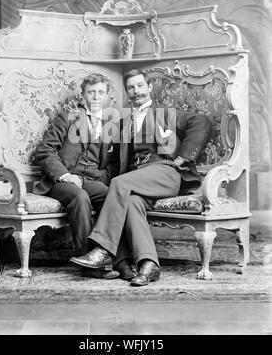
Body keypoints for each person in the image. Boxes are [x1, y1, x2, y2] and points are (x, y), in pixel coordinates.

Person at [70, 69, 212, 286]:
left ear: (149, 87)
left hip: (165, 172)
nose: (136, 91)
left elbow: (201, 122)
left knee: (119, 183)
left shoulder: (165, 113)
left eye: (140, 86)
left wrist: (183, 157)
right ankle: (149, 265)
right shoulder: (123, 124)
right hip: (137, 179)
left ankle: (103, 250)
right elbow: (112, 159)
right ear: (127, 92)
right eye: (131, 88)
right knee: (132, 203)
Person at [34, 73, 120, 279]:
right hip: (61, 181)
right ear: (83, 96)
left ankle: (116, 258)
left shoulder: (112, 125)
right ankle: (89, 264)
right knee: (80, 197)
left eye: (101, 93)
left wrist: (100, 176)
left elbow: (116, 162)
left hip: (91, 180)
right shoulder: (67, 118)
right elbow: (44, 151)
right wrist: (64, 175)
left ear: (108, 97)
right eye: (91, 92)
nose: (96, 97)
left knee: (114, 197)